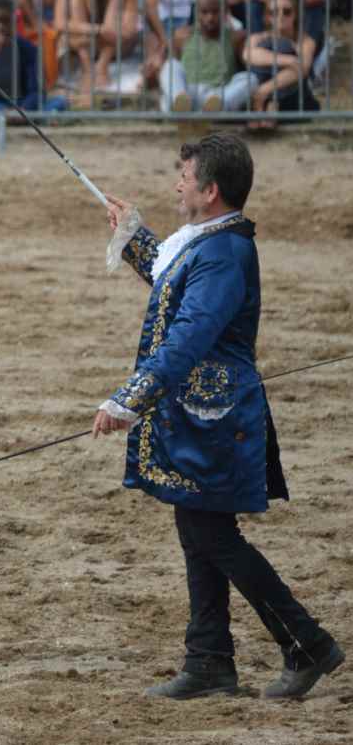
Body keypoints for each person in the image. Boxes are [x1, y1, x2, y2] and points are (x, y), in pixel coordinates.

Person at [95, 134, 343, 700]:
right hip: (202, 415)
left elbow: (186, 338)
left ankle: (306, 644)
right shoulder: (212, 242)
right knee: (199, 528)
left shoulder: (225, 254)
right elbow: (172, 277)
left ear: (209, 191)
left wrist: (128, 398)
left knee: (211, 533)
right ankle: (210, 660)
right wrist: (134, 235)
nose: (176, 183)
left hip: (216, 420)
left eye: (184, 176)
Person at [161, 0, 255, 112]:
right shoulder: (181, 36)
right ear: (196, 13)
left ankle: (210, 111)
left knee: (250, 78)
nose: (210, 17)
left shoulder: (235, 37)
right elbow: (172, 74)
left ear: (225, 12)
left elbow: (249, 62)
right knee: (170, 66)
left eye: (215, 12)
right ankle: (181, 106)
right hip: (187, 94)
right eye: (204, 12)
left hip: (217, 96)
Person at [243, 0, 319, 125]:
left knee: (285, 49)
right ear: (267, 17)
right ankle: (267, 107)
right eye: (274, 12)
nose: (281, 16)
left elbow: (303, 69)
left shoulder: (305, 40)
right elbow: (248, 56)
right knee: (272, 50)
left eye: (287, 12)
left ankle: (270, 104)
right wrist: (289, 60)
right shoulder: (257, 38)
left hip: (292, 98)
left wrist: (264, 90)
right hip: (263, 93)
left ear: (295, 15)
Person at [0, 0, 66, 111]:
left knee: (59, 102)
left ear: (14, 21)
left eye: (6, 21)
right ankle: (9, 116)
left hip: (23, 105)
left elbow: (37, 90)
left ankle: (20, 117)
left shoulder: (29, 49)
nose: (0, 26)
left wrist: (24, 109)